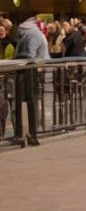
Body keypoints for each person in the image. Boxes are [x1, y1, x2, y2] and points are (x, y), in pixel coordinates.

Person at [12, 16, 50, 146]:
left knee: (23, 102)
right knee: (31, 101)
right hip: (32, 70)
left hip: (23, 70)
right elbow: (34, 55)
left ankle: (22, 133)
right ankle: (31, 134)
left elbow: (23, 54)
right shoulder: (35, 34)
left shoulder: (26, 35)